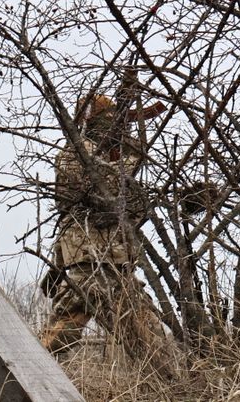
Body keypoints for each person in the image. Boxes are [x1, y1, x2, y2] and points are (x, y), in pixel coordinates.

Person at [41, 93, 173, 371]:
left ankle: (176, 390)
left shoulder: (112, 155)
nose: (118, 128)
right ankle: (14, 380)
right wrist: (132, 151)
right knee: (59, 337)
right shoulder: (74, 154)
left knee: (153, 345)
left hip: (118, 266)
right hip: (87, 262)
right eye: (112, 121)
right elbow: (108, 186)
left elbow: (131, 206)